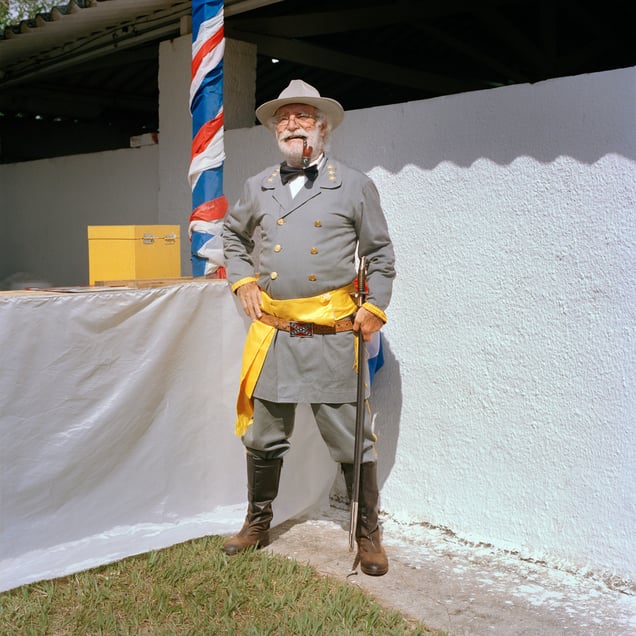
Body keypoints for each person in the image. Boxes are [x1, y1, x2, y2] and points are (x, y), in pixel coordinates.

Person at [222, 79, 396, 576]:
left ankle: (367, 534)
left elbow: (380, 254)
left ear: (323, 128)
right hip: (275, 332)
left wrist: (375, 307)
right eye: (283, 118)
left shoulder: (354, 185)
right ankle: (257, 522)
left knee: (353, 439)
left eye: (302, 116)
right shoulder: (258, 186)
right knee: (263, 435)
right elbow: (233, 236)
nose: (291, 124)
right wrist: (243, 281)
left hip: (332, 335)